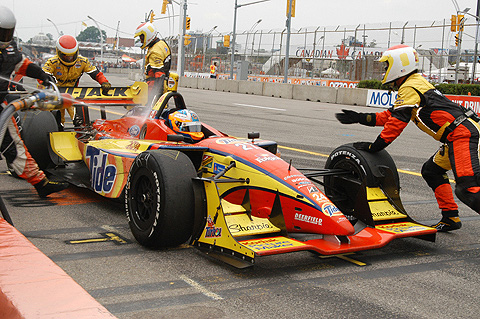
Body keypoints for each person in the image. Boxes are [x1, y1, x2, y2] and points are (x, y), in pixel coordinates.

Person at [336, 44, 480, 232]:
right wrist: (359, 118)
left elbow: (397, 121)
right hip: (457, 135)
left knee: (468, 189)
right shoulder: (413, 83)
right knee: (431, 171)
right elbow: (390, 116)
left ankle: (451, 214)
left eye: (387, 66)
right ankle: (450, 217)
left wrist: (376, 146)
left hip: (464, 134)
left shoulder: (410, 86)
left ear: (398, 65)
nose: (385, 71)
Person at [0, 5, 68, 197]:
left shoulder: (10, 49)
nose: (4, 38)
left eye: (7, 33)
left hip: (1, 108)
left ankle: (40, 183)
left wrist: (42, 75)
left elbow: (22, 63)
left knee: (15, 145)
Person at [42, 34, 111, 127]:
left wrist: (104, 82)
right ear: (59, 53)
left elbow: (95, 73)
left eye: (72, 56)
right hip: (55, 93)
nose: (70, 58)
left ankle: (81, 132)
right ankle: (57, 128)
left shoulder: (82, 61)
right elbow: (43, 76)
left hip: (73, 93)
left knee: (79, 119)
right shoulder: (52, 62)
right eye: (66, 56)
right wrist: (52, 85)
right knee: (56, 120)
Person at [134, 22, 171, 106]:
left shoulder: (155, 51)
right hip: (161, 86)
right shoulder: (161, 44)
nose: (141, 40)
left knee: (143, 112)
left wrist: (156, 97)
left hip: (153, 87)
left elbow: (159, 76)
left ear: (148, 35)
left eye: (142, 37)